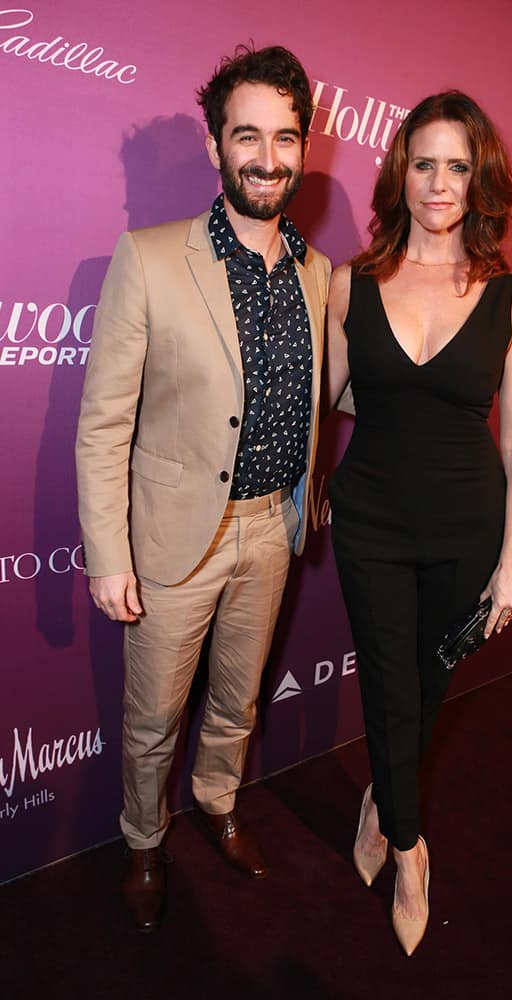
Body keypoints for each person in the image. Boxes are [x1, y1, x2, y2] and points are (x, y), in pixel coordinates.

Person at [75, 44, 330, 932]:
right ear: (218, 143)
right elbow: (103, 424)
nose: (269, 156)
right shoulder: (147, 259)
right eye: (248, 135)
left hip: (274, 528)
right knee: (153, 717)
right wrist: (108, 555)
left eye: (286, 137)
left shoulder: (317, 270)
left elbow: (327, 394)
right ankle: (144, 841)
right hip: (177, 536)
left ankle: (218, 801)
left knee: (237, 698)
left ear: (305, 147)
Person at [326, 91, 512, 955]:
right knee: (387, 686)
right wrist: (309, 479)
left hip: (468, 533)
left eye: (457, 165)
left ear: (477, 177)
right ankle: (410, 851)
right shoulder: (352, 283)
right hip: (370, 520)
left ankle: (384, 799)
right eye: (424, 163)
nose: (439, 182)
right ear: (400, 173)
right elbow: (332, 400)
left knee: (426, 689)